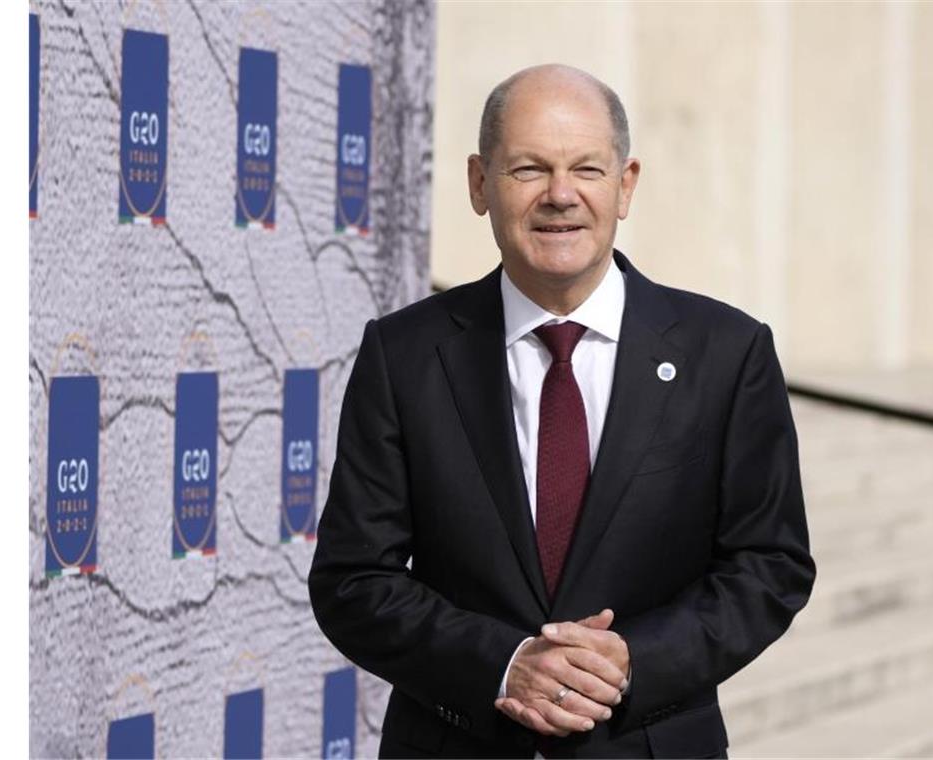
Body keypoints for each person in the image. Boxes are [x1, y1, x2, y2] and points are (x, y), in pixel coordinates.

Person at [309, 63, 815, 759]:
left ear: (625, 184)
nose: (560, 195)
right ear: (479, 184)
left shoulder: (727, 354)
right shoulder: (404, 354)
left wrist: (632, 662)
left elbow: (770, 565)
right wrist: (503, 661)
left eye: (586, 169)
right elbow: (352, 580)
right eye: (528, 170)